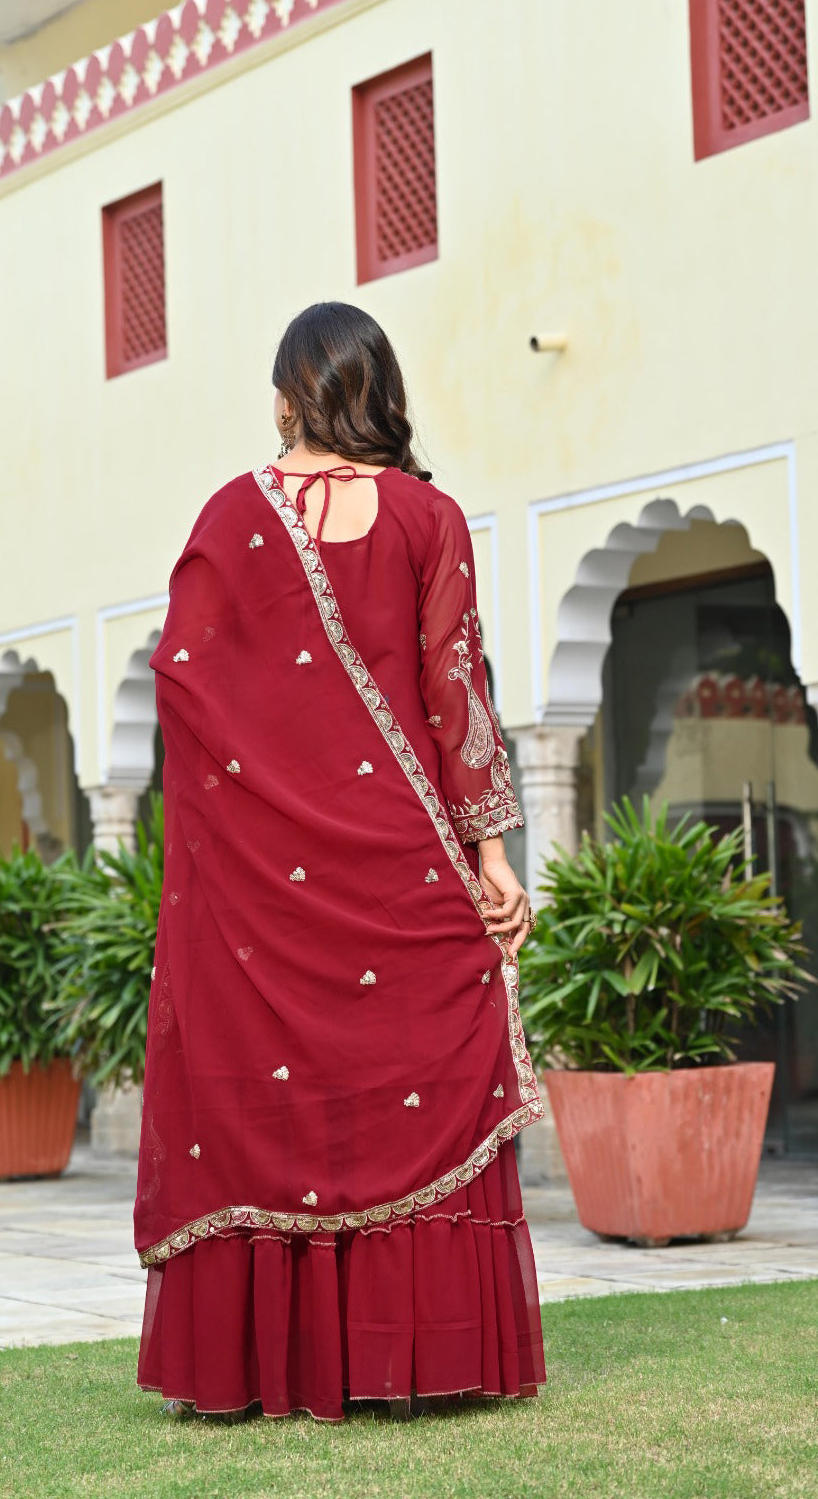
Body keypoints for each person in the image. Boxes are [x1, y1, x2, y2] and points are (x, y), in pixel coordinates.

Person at [135, 301, 546, 1422]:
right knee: (408, 1076)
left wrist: (257, 829)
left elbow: (186, 682)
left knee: (286, 1089)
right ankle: (410, 1361)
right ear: (379, 392)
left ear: (283, 400)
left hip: (274, 885)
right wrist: (492, 857)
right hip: (407, 865)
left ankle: (266, 1368)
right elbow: (456, 696)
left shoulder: (231, 516)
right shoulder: (428, 516)